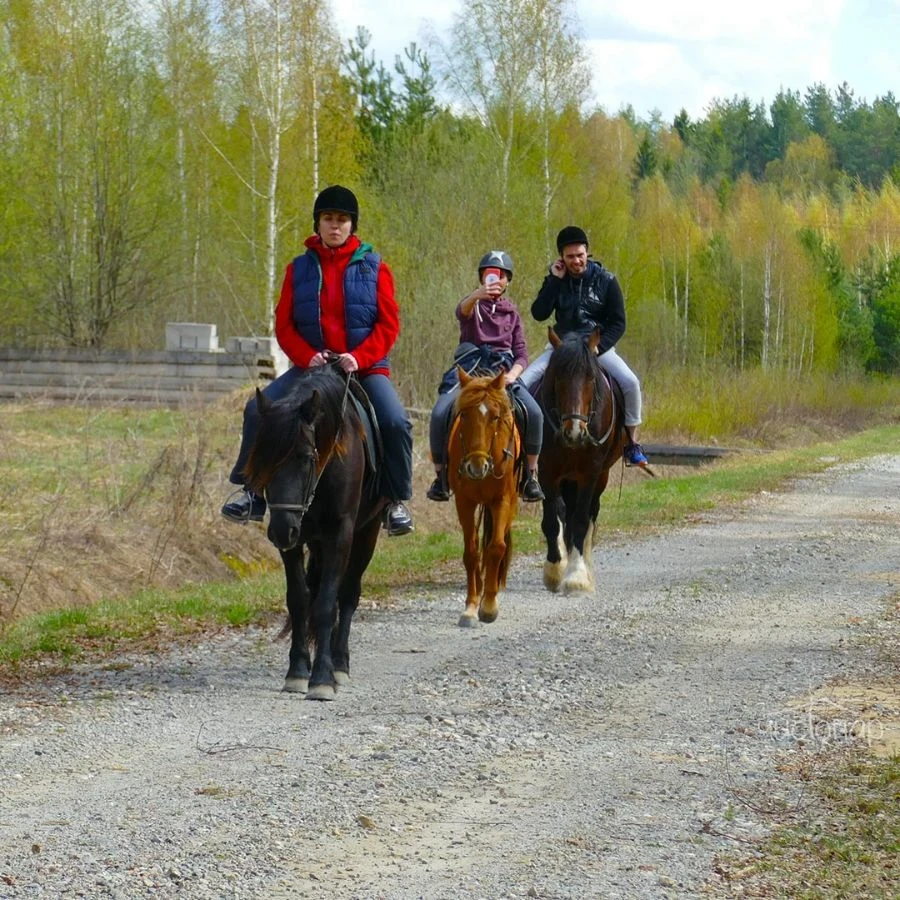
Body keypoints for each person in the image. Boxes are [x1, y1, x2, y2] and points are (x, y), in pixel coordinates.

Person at [221, 184, 414, 536]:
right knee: (254, 410)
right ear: (318, 223)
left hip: (362, 369)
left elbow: (389, 325)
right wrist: (306, 356)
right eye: (328, 218)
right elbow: (285, 324)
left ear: (352, 225)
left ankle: (395, 500)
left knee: (396, 422)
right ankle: (250, 493)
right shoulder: (298, 269)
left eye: (342, 219)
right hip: (311, 369)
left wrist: (359, 356)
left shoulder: (376, 268)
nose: (335, 225)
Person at [520, 226, 649, 468]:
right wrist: (553, 282)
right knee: (522, 385)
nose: (576, 261)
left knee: (631, 383)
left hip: (595, 347)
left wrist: (599, 347)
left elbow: (618, 322)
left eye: (580, 255)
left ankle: (632, 443)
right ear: (562, 258)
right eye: (570, 257)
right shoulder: (556, 280)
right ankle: (522, 446)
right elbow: (539, 313)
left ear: (587, 252)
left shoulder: (607, 280)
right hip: (563, 349)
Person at [426, 250, 544, 503]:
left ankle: (530, 477)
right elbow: (461, 311)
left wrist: (512, 375)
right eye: (491, 274)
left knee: (534, 413)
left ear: (508, 281)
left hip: (502, 371)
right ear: (482, 278)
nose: (496, 280)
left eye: (502, 276)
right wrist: (478, 294)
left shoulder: (512, 313)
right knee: (439, 413)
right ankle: (441, 478)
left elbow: (522, 354)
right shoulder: (473, 305)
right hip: (470, 370)